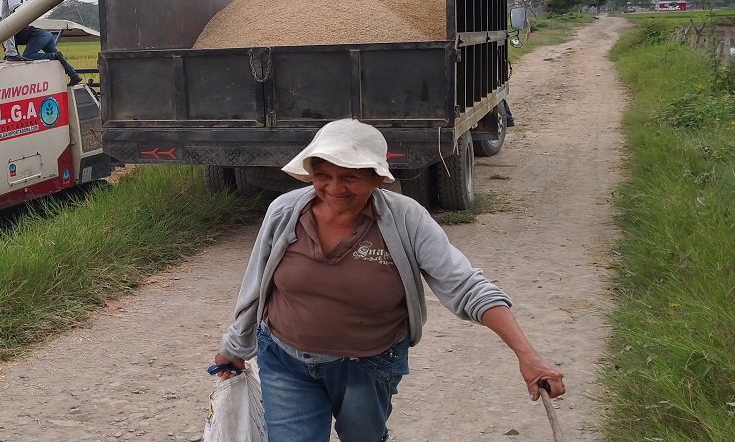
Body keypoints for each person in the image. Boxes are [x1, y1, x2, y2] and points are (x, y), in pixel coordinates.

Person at [212, 119, 565, 442]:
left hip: (368, 365)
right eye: (323, 174)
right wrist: (236, 347)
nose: (334, 188)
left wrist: (528, 356)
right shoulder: (286, 211)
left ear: (378, 178)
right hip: (285, 360)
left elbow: (466, 286)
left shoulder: (406, 219)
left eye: (350, 176)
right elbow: (256, 286)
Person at [14, 24, 83, 86]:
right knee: (60, 58)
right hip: (47, 35)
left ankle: (54, 56)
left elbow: (12, 53)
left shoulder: (7, 34)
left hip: (39, 36)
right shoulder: (12, 28)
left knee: (27, 56)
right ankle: (74, 75)